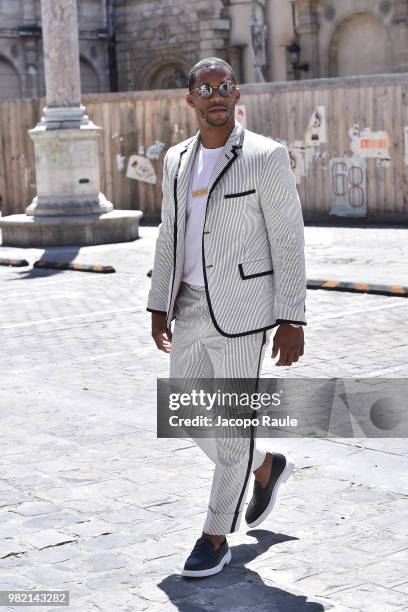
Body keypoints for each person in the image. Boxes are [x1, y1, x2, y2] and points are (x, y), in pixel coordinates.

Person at [147, 57, 306, 578]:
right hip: (189, 304)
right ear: (190, 100)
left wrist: (291, 317)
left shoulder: (265, 156)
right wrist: (156, 305)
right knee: (188, 413)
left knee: (233, 427)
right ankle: (264, 466)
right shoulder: (175, 160)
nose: (217, 95)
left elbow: (287, 239)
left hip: (245, 312)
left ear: (237, 95)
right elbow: (170, 234)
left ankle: (215, 535)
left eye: (225, 86)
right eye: (205, 88)